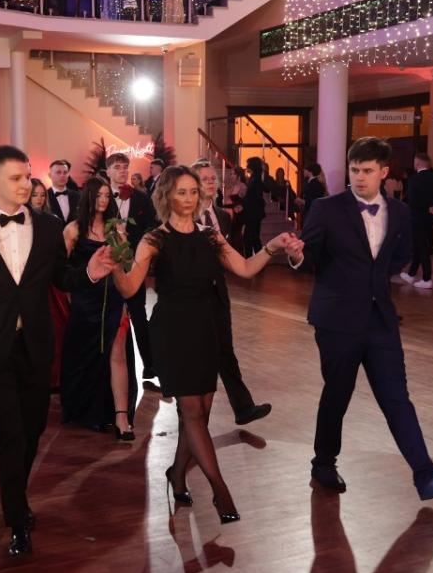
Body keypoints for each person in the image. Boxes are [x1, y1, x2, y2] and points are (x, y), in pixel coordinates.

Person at [0, 145, 114, 558]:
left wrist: (88, 273)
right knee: (10, 435)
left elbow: (61, 277)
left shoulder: (48, 227)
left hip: (35, 346)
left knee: (32, 430)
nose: (26, 184)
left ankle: (17, 493)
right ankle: (16, 518)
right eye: (16, 178)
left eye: (27, 176)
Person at [111, 165, 301, 523]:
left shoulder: (211, 237)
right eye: (181, 192)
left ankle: (176, 475)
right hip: (171, 333)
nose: (188, 198)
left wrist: (272, 247)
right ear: (167, 196)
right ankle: (220, 491)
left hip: (205, 329)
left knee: (198, 415)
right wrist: (115, 264)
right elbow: (130, 288)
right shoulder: (154, 239)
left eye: (193, 192)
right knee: (193, 413)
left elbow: (245, 268)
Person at [290, 137, 433, 501]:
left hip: (380, 320)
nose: (359, 177)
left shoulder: (399, 212)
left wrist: (372, 283)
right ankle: (323, 463)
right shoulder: (326, 209)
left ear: (384, 172)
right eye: (354, 170)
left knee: (397, 398)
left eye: (367, 171)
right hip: (336, 320)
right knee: (338, 394)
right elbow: (309, 260)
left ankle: (426, 477)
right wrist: (296, 255)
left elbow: (400, 256)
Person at [195, 158, 272, 425]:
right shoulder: (183, 217)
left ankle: (243, 407)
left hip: (218, 291)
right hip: (192, 296)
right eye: (204, 179)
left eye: (212, 178)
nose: (210, 182)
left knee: (225, 350)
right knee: (201, 356)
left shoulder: (222, 216)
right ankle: (194, 420)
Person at [60, 177, 136, 438]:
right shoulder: (73, 230)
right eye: (98, 195)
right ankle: (85, 409)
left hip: (114, 298)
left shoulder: (116, 228)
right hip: (84, 301)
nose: (103, 200)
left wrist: (122, 243)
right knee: (84, 353)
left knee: (117, 352)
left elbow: (127, 266)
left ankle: (121, 416)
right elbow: (62, 271)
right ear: (88, 197)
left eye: (107, 195)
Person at [105, 152, 158, 381]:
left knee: (138, 314)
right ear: (108, 171)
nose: (122, 171)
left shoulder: (141, 198)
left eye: (125, 167)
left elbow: (152, 225)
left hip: (135, 265)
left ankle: (150, 365)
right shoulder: (101, 196)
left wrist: (140, 249)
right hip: (108, 266)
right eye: (117, 167)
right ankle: (109, 366)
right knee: (110, 316)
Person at [400, 153, 433, 289]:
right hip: (430, 217)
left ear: (417, 163)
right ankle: (411, 274)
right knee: (420, 245)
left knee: (422, 247)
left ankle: (427, 278)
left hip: (417, 216)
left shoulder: (414, 179)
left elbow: (413, 200)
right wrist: (431, 207)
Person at [242, 157, 267, 257]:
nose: (246, 166)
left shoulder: (255, 180)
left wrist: (244, 201)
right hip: (254, 213)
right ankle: (257, 259)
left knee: (249, 238)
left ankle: (251, 260)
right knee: (253, 238)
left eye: (248, 164)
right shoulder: (255, 178)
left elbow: (254, 198)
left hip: (253, 214)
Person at [46, 159, 79, 225]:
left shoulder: (77, 196)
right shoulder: (45, 196)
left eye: (65, 172)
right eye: (58, 172)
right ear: (50, 175)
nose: (62, 175)